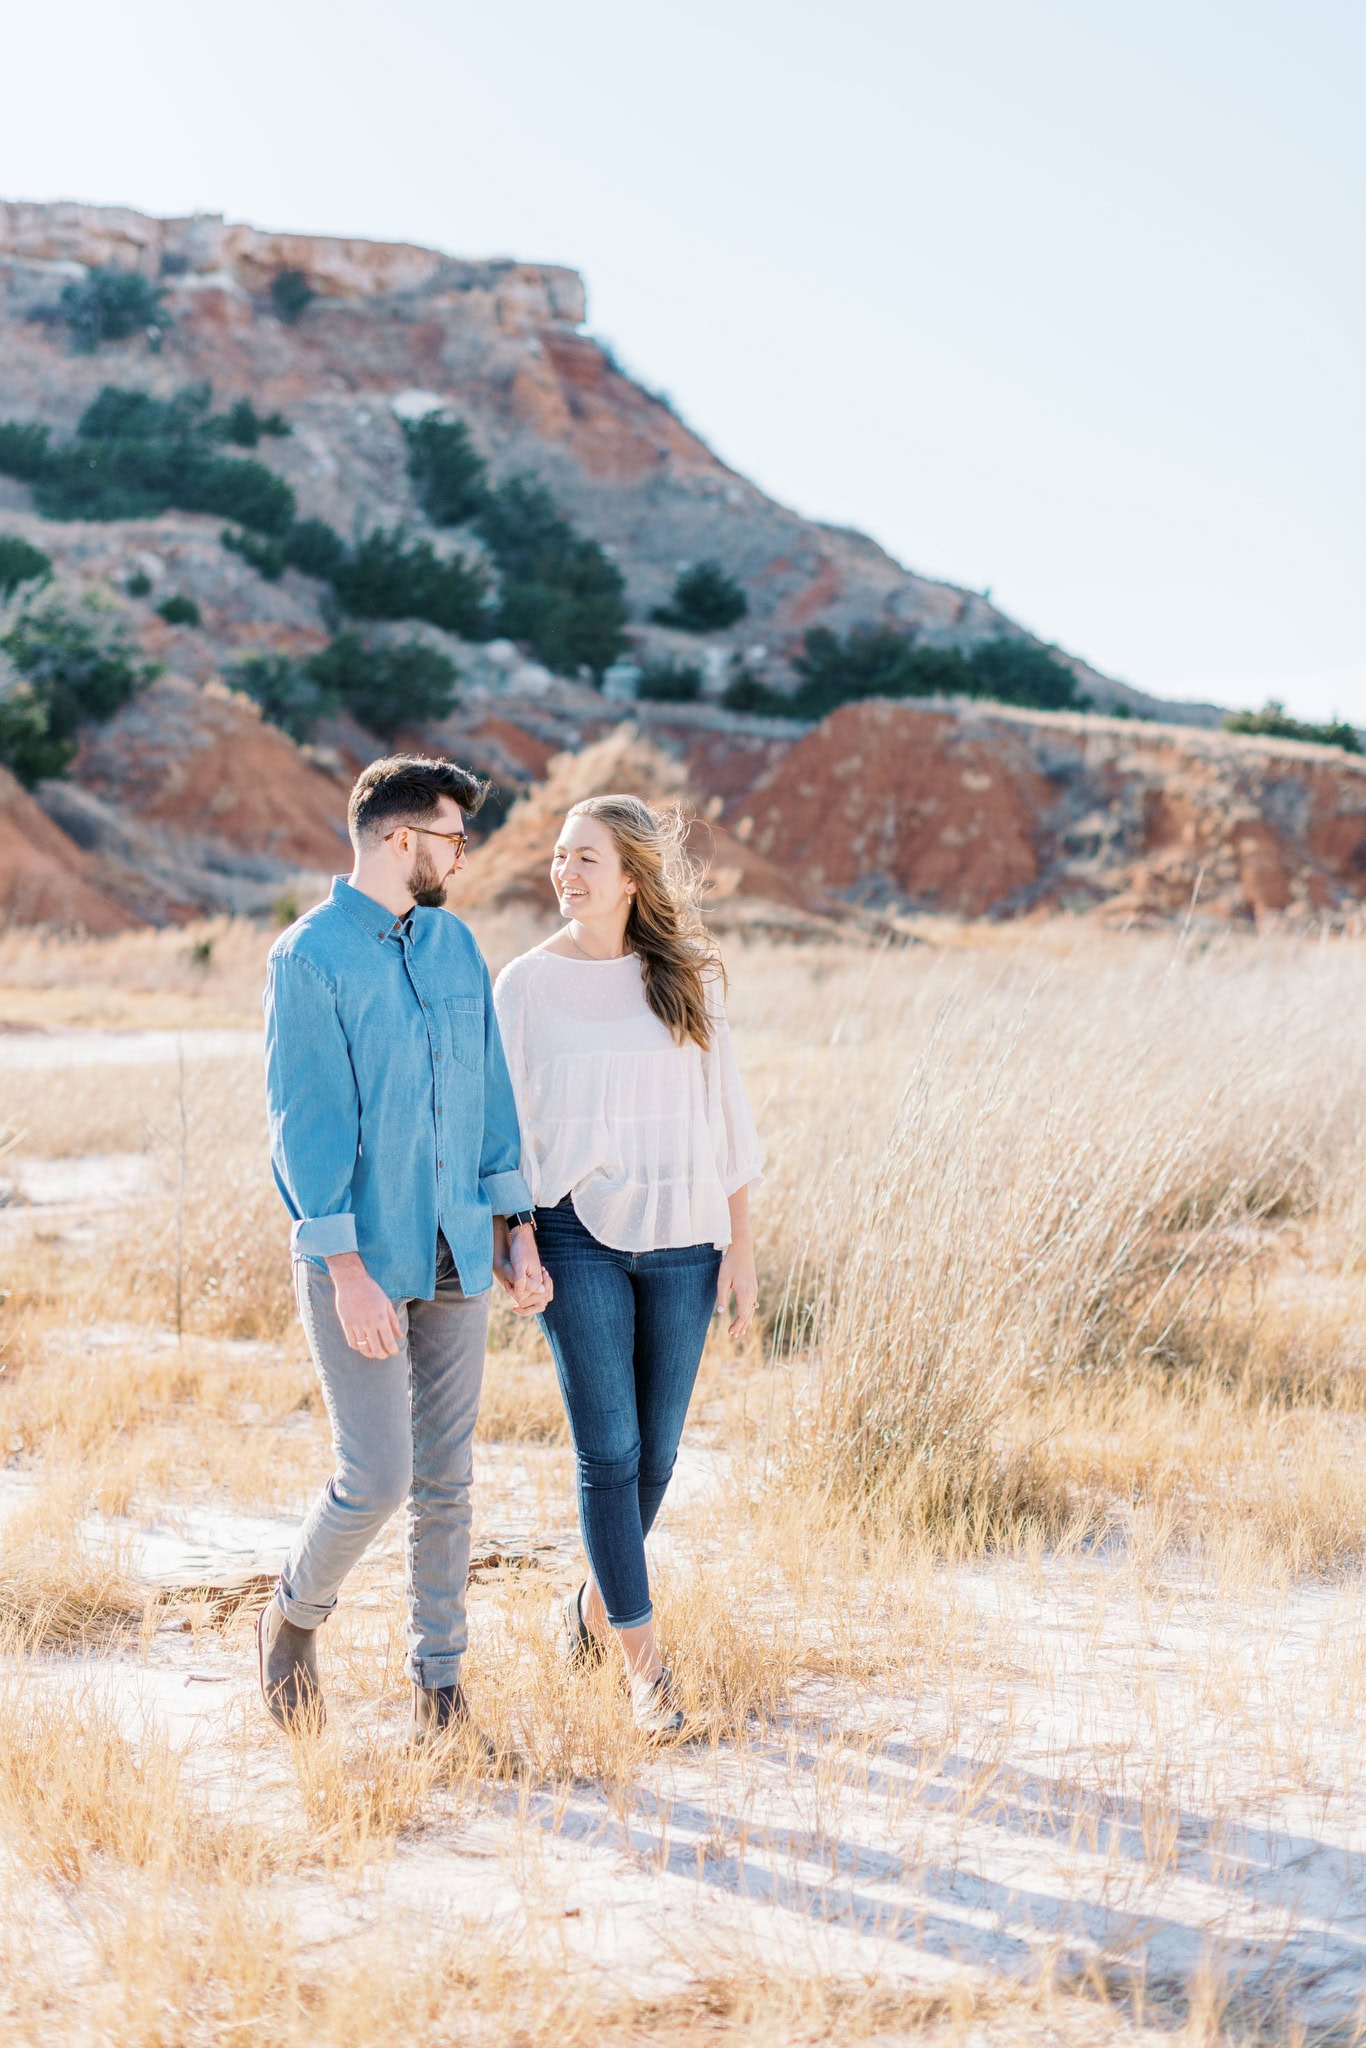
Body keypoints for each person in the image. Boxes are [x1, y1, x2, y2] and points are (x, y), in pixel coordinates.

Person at [259, 754, 549, 1744]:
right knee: (377, 1475)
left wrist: (516, 1231)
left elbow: (492, 1096)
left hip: (462, 1250)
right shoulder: (308, 957)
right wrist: (346, 1272)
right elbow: (305, 1130)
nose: (460, 858)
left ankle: (440, 1691)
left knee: (448, 1480)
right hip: (364, 1260)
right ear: (399, 839)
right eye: (451, 839)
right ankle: (294, 1617)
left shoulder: (457, 947)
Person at [494, 795, 762, 1737]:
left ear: (633, 877)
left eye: (586, 859)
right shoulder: (524, 986)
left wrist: (741, 1250)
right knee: (608, 1454)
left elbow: (724, 1115)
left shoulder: (686, 979)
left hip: (687, 1235)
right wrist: (511, 1236)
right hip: (574, 1235)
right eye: (560, 857)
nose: (564, 872)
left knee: (658, 1457)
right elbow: (506, 1130)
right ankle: (647, 1676)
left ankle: (588, 1611)